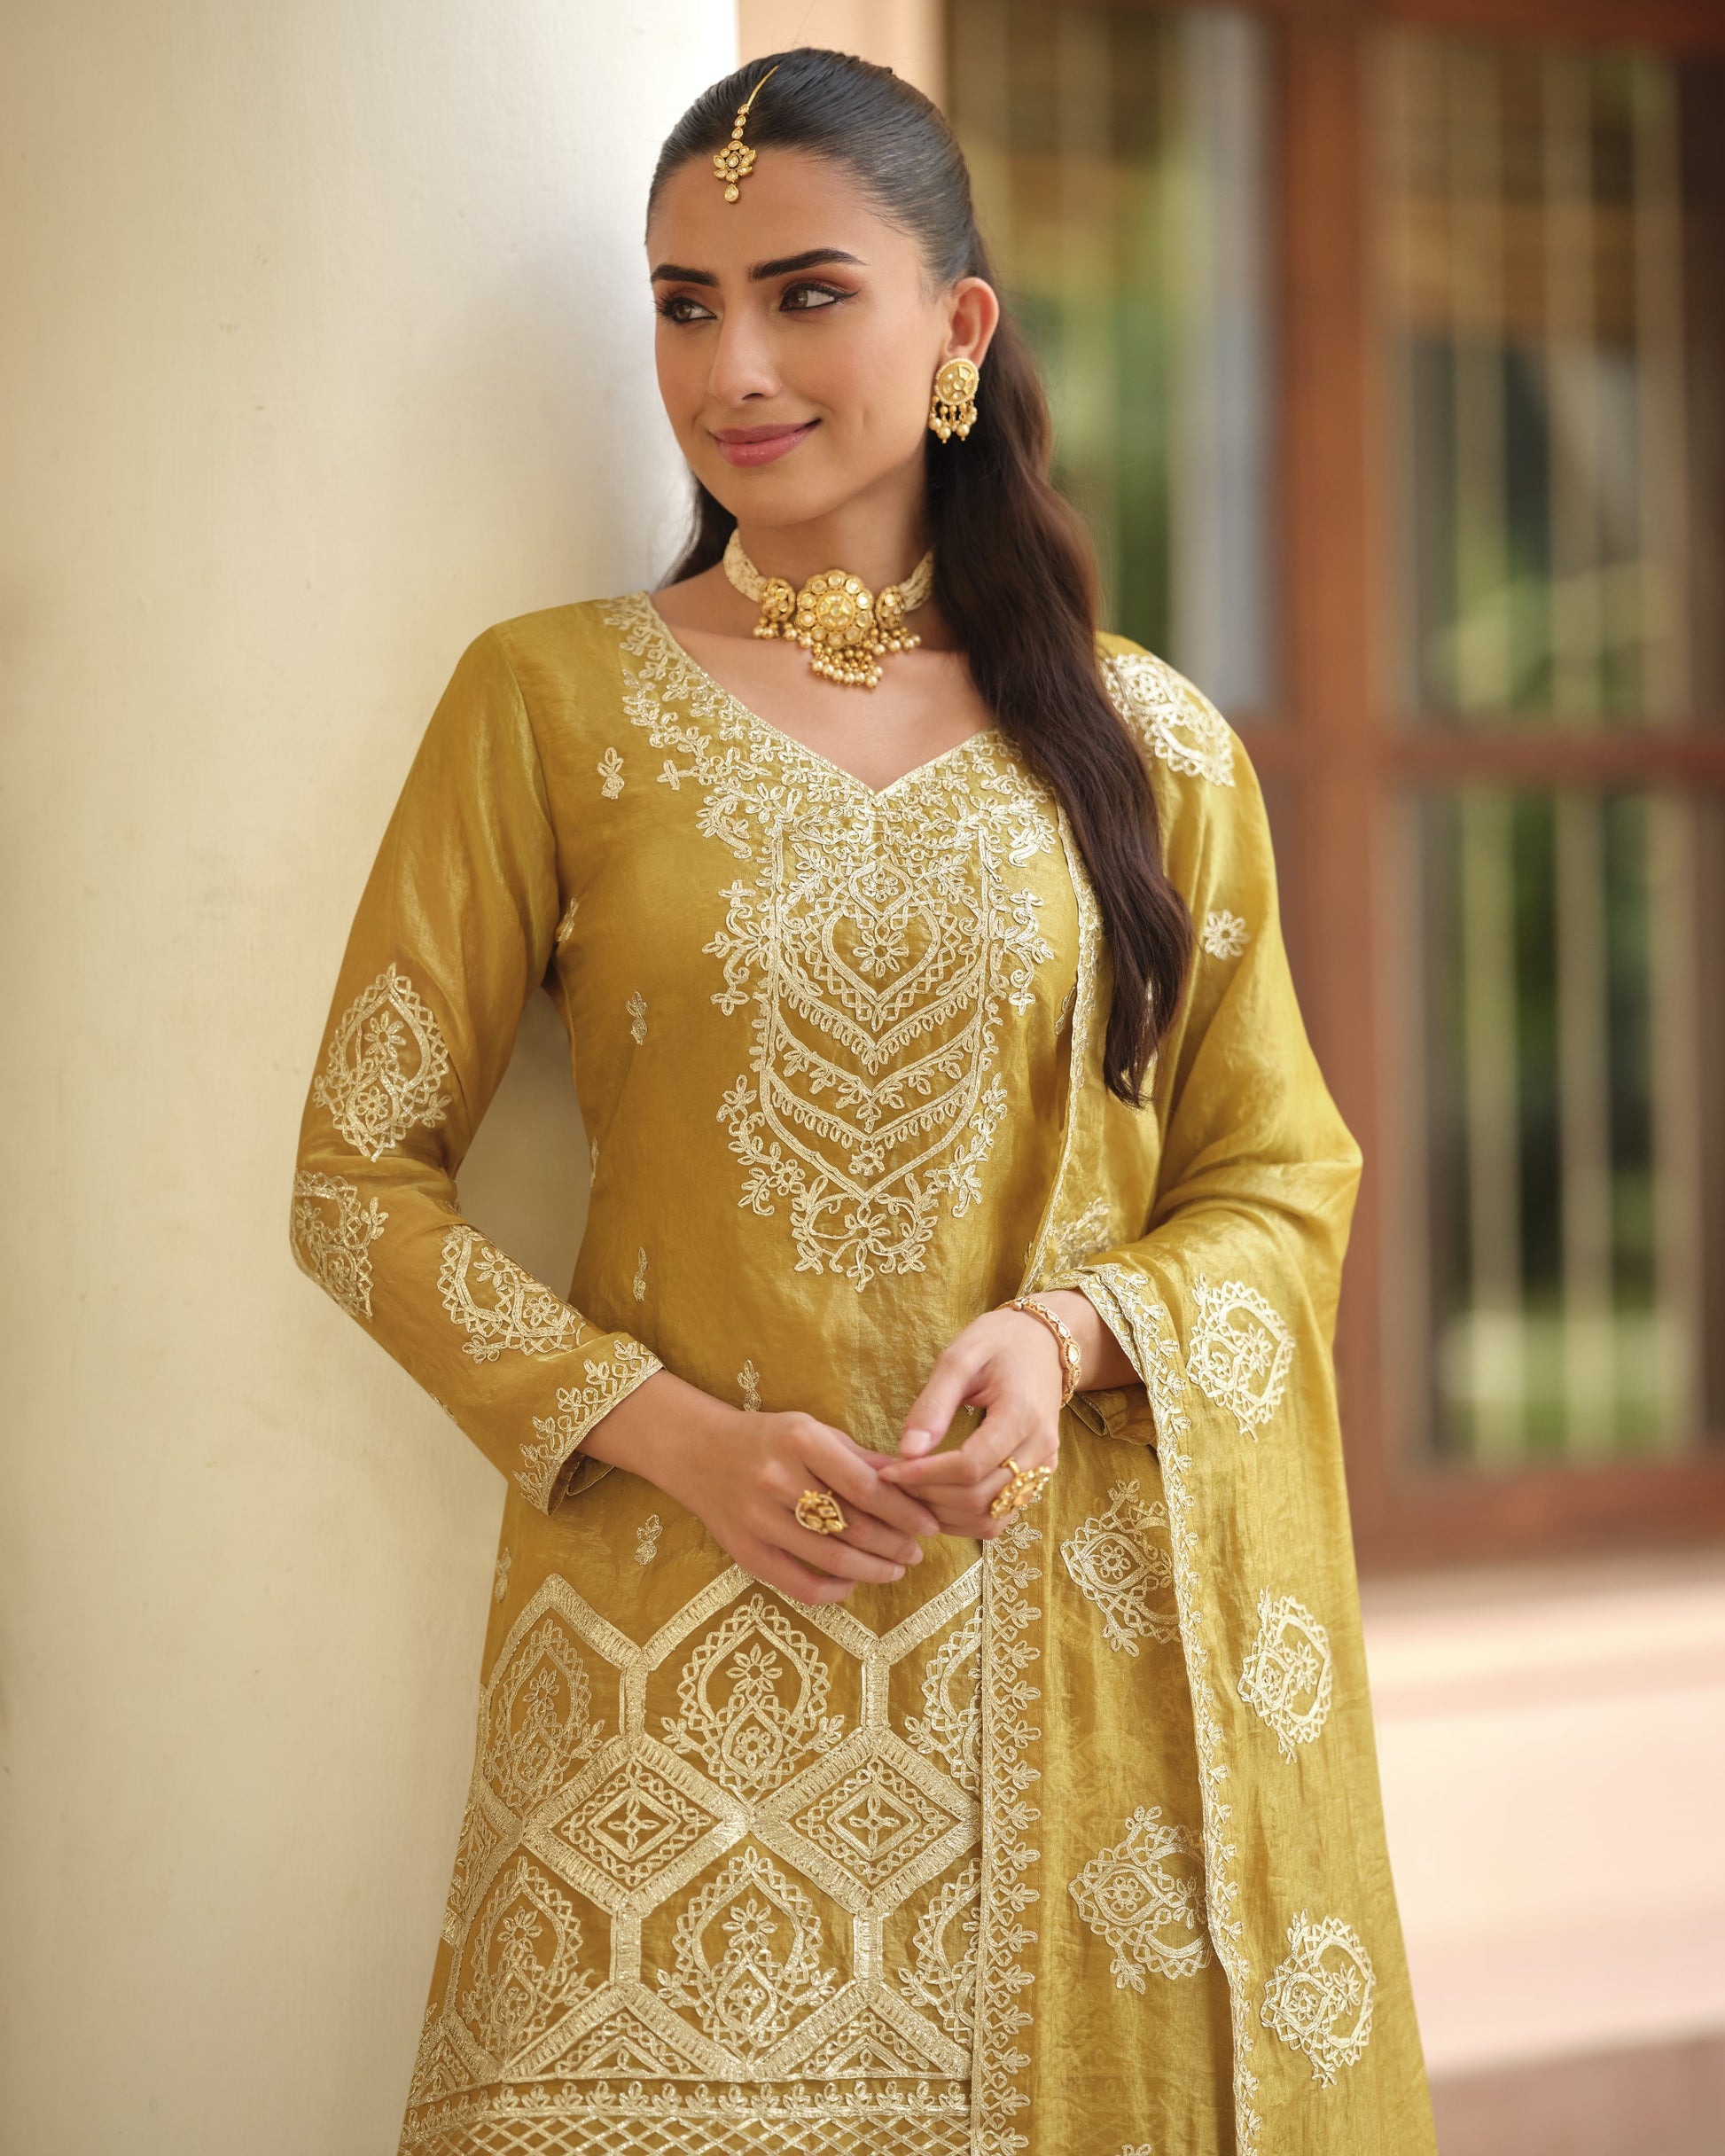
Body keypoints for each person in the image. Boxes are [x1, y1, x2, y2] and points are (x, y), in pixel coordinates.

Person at [291, 47, 1436, 2156]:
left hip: (1063, 1701)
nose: (730, 366)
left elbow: (1277, 1182)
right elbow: (357, 1181)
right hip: (660, 1681)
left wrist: (1068, 1333)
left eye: (805, 294)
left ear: (956, 329)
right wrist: (678, 1436)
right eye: (682, 303)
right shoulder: (545, 703)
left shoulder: (1150, 748)